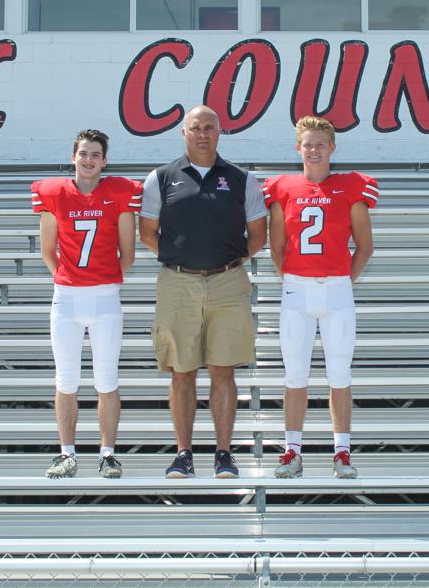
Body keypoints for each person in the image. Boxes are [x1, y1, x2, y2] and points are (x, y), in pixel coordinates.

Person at [139, 105, 268, 479]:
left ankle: (224, 453)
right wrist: (181, 257)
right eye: (195, 127)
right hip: (177, 282)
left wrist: (225, 259)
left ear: (219, 132)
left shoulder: (242, 179)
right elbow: (147, 233)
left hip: (228, 282)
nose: (202, 134)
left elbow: (258, 236)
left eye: (209, 127)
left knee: (223, 370)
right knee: (181, 371)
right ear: (184, 133)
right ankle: (183, 453)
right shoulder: (161, 178)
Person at [263, 115, 377, 479]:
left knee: (339, 374)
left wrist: (343, 279)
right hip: (297, 290)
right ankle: (291, 451)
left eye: (320, 144)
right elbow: (276, 245)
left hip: (337, 290)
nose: (313, 150)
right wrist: (296, 279)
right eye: (307, 144)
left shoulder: (351, 187)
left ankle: (341, 452)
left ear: (332, 148)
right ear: (298, 147)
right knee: (294, 374)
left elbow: (365, 245)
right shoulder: (282, 187)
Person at [31, 129, 142, 479]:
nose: (89, 159)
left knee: (106, 380)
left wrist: (103, 279)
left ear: (105, 160)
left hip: (105, 297)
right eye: (83, 153)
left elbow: (129, 253)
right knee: (66, 379)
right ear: (73, 157)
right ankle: (66, 453)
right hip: (66, 298)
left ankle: (107, 452)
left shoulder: (119, 193)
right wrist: (70, 278)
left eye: (95, 154)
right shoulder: (54, 193)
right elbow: (48, 251)